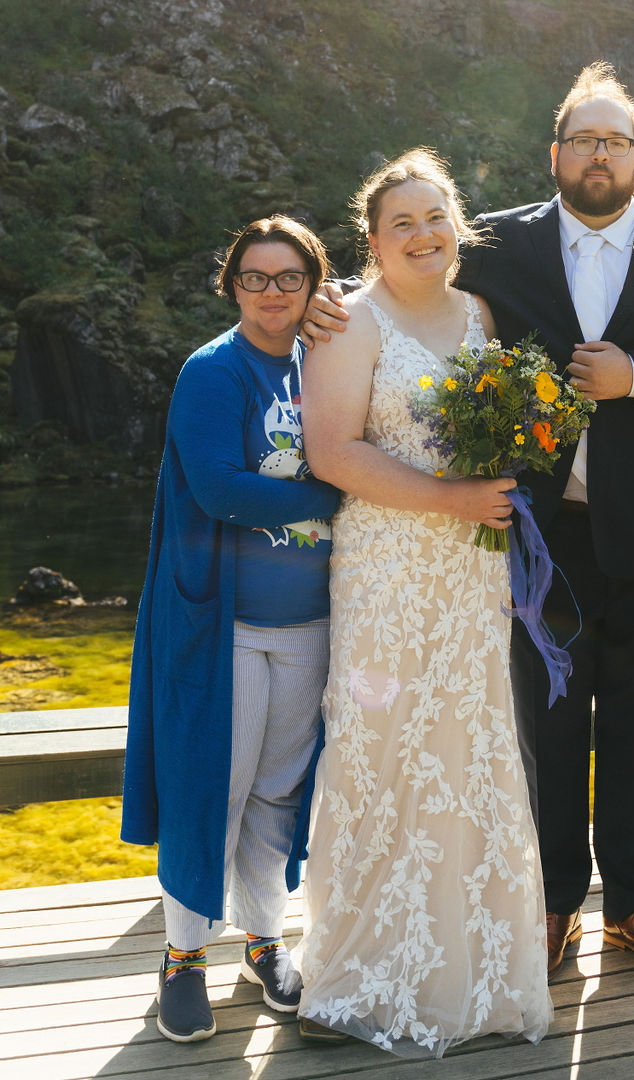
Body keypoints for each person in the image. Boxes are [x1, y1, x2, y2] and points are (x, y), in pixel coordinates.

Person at [305, 65, 634, 983]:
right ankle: (552, 905)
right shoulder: (500, 243)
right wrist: (330, 300)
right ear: (556, 154)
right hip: (534, 535)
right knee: (547, 725)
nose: (599, 154)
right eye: (584, 140)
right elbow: (411, 277)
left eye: (615, 140)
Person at [292, 148, 551, 1056]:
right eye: (400, 222)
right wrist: (451, 499)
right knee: (380, 746)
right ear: (371, 240)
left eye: (435, 216)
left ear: (459, 227)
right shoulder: (348, 322)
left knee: (465, 743)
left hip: (471, 570)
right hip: (390, 571)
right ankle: (353, 974)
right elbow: (333, 452)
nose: (422, 233)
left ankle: (469, 972)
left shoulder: (481, 315)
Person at [121, 216, 342, 1044]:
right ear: (233, 284)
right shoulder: (214, 370)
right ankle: (183, 956)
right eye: (255, 276)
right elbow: (220, 490)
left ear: (314, 285)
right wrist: (338, 490)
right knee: (213, 786)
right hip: (227, 625)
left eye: (290, 277)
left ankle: (263, 940)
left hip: (311, 621)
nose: (273, 291)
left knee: (280, 789)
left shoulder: (325, 360)